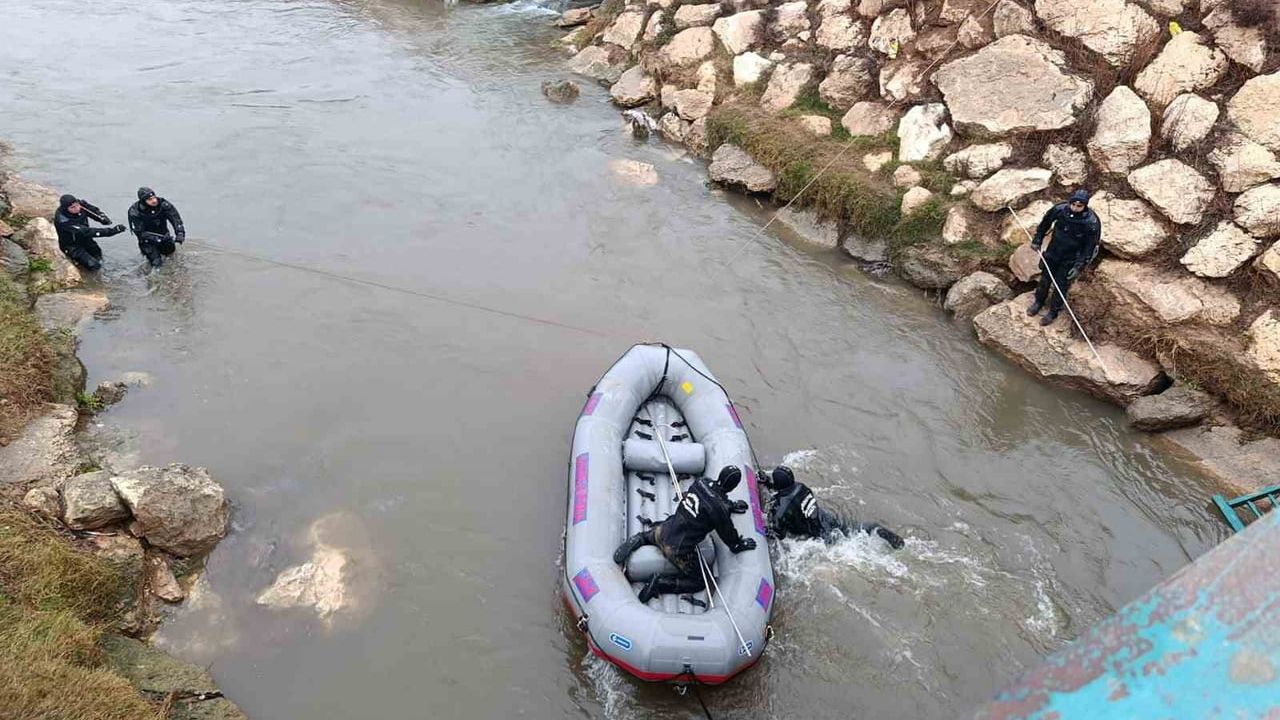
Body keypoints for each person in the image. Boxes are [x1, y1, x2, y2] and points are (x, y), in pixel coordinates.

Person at [613, 466, 757, 603]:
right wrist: (738, 544)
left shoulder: (702, 482)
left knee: (648, 535)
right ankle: (660, 584)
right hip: (677, 549)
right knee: (700, 582)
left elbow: (708, 501)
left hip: (664, 530)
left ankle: (637, 539)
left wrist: (729, 506)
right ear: (733, 487)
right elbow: (728, 534)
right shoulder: (720, 509)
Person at [761, 466, 905, 549]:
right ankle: (898, 543)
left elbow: (778, 534)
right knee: (864, 529)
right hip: (830, 522)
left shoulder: (782, 507)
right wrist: (768, 483)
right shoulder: (800, 486)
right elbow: (785, 492)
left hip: (820, 538)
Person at [1027, 188, 1101, 327]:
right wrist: (1037, 239)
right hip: (1053, 251)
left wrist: (1079, 266)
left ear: (1085, 206)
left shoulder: (1090, 222)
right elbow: (1044, 224)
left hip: (1071, 258)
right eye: (1073, 204)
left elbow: (1089, 248)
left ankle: (1053, 312)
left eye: (1079, 206)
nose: (1075, 208)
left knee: (1061, 285)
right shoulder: (1060, 210)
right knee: (1044, 279)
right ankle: (1038, 302)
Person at [53, 194, 126, 271]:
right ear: (65, 209)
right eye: (73, 207)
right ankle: (79, 265)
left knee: (97, 253)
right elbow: (87, 231)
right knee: (94, 265)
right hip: (72, 245)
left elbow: (92, 210)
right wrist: (112, 231)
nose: (77, 208)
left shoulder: (80, 205)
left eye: (77, 205)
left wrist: (102, 218)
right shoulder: (63, 221)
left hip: (85, 239)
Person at [127, 187, 185, 268]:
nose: (154, 201)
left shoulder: (163, 204)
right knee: (156, 263)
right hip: (147, 242)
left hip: (165, 236)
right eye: (150, 199)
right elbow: (140, 233)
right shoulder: (135, 212)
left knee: (171, 256)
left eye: (154, 197)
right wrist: (157, 239)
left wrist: (180, 233)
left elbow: (175, 219)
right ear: (143, 201)